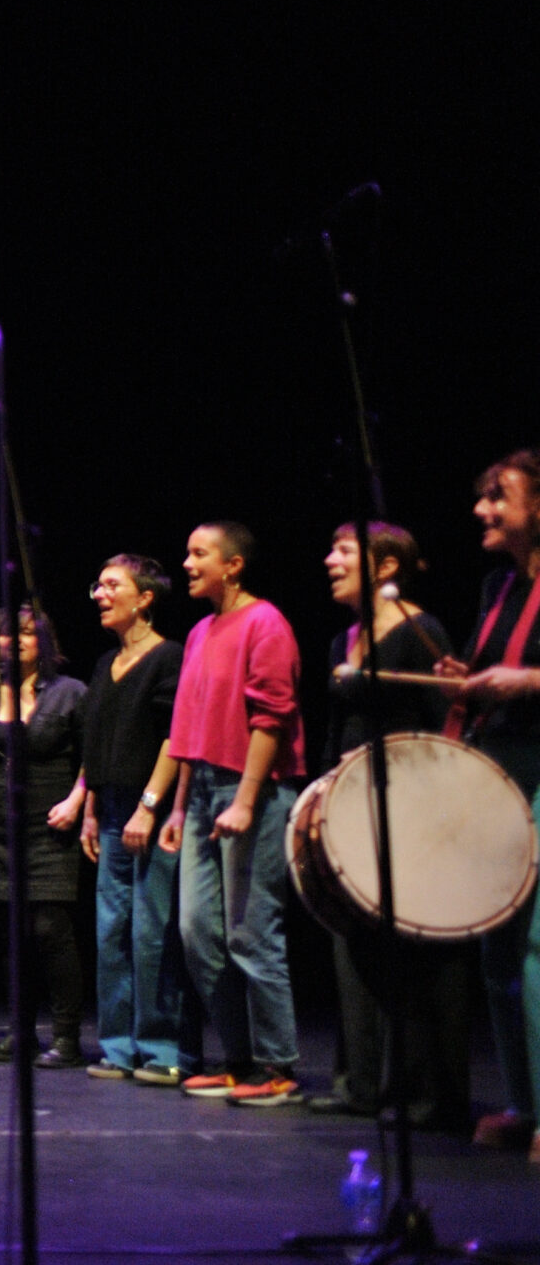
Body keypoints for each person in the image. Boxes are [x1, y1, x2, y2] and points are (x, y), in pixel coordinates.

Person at [310, 522, 473, 1129]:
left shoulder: (419, 630)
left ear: (384, 568)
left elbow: (447, 725)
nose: (330, 560)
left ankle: (427, 1095)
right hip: (352, 807)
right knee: (354, 940)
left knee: (414, 951)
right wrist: (325, 794)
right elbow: (335, 730)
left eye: (344, 551)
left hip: (408, 805)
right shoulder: (343, 639)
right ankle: (363, 1086)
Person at [157, 521, 306, 1107]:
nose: (188, 563)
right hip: (201, 793)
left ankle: (277, 1064)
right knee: (198, 932)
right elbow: (189, 728)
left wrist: (244, 799)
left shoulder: (266, 623)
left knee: (251, 933)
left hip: (255, 792)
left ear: (234, 564)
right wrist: (177, 805)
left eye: (200, 554)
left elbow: (272, 717)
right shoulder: (199, 631)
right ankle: (236, 1059)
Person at [441, 450, 540, 1157]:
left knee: (536, 943)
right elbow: (489, 676)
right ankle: (522, 1103)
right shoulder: (498, 588)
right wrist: (469, 680)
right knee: (498, 945)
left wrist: (528, 681)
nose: (482, 509)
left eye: (498, 496)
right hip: (500, 766)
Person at [0, 604, 91, 1067]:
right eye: (7, 634)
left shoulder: (71, 693)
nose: (15, 641)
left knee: (50, 929)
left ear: (45, 642)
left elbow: (93, 757)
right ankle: (21, 1032)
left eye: (29, 634)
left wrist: (76, 802)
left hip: (49, 824)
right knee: (10, 935)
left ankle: (67, 1036)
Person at [77, 555, 187, 1084]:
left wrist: (149, 804)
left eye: (111, 585)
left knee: (152, 933)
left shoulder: (169, 657)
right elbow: (95, 744)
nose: (99, 593)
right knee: (111, 932)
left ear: (144, 597)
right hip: (114, 808)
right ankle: (119, 1048)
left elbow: (176, 737)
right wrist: (92, 810)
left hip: (153, 808)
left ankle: (162, 1048)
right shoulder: (104, 664)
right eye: (96, 585)